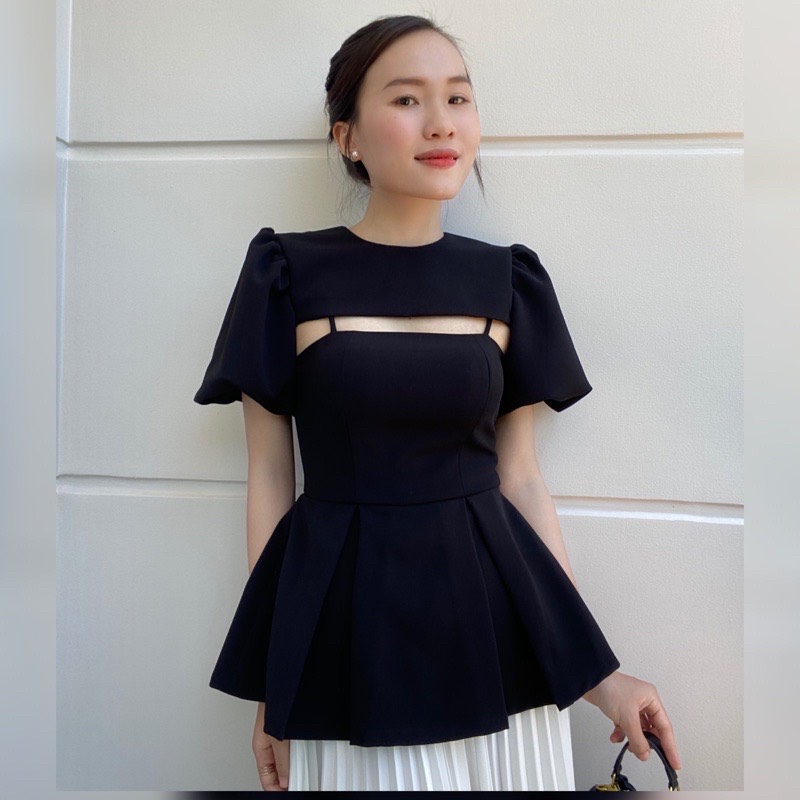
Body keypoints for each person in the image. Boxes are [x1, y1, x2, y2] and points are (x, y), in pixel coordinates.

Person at [194, 14, 682, 792]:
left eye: (457, 98)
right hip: (348, 651)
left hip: (500, 644)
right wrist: (275, 685)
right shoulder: (284, 273)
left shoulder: (509, 281)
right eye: (407, 99)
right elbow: (270, 480)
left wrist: (600, 675)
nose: (441, 123)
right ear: (347, 135)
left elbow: (522, 483)